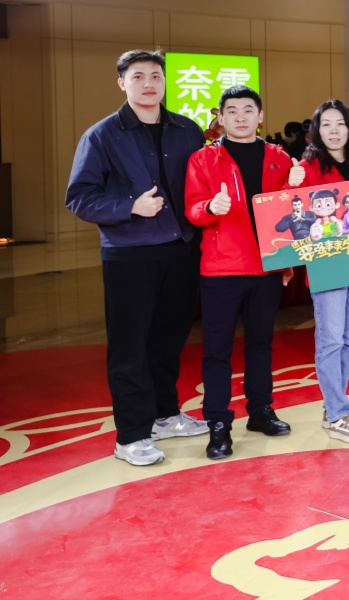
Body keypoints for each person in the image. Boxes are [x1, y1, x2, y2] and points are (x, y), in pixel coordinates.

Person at [66, 49, 208, 466]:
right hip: (129, 255)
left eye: (156, 76)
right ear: (122, 83)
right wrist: (130, 206)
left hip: (181, 250)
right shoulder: (102, 135)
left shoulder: (187, 130)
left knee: (169, 341)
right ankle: (131, 435)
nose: (149, 83)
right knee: (130, 347)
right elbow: (79, 197)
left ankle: (165, 414)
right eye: (138, 76)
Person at [184, 85, 294, 460]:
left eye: (248, 110)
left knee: (261, 344)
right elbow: (192, 209)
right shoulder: (203, 159)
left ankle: (260, 410)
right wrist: (209, 207)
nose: (241, 117)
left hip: (267, 267)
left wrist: (288, 260)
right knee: (217, 350)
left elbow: (292, 211)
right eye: (232, 110)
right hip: (222, 268)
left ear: (260, 116)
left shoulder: (279, 158)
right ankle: (218, 423)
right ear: (220, 117)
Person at [285, 99, 349, 444]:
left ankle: (334, 406)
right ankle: (339, 411)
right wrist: (291, 184)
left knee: (347, 338)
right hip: (327, 263)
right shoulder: (307, 167)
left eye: (340, 123)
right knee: (330, 339)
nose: (334, 130)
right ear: (316, 130)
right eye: (326, 124)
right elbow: (290, 214)